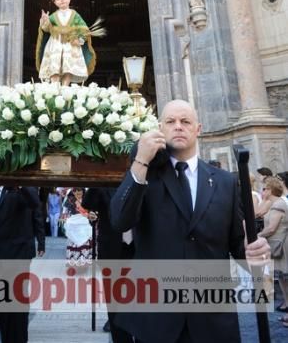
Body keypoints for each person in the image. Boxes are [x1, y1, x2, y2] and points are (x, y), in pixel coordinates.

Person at [110, 98, 270, 343]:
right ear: (160, 128)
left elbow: (237, 245)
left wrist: (253, 254)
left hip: (213, 318)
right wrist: (141, 160)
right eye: (170, 121)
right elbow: (120, 220)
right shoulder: (145, 175)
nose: (178, 126)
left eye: (185, 121)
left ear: (199, 129)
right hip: (157, 317)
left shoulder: (225, 182)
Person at [0, 186, 45, 343]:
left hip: (18, 255)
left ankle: (19, 339)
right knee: (1, 304)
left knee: (18, 304)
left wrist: (41, 241)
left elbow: (35, 207)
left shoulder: (20, 189)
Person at [82, 188, 134, 343]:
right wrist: (95, 180)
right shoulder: (104, 186)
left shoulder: (145, 176)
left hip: (138, 249)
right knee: (115, 304)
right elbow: (88, 203)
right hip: (112, 250)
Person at [36, 0, 98, 85]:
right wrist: (45, 21)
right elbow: (47, 29)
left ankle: (65, 86)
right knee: (55, 65)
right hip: (55, 44)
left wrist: (79, 39)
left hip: (70, 44)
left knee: (68, 67)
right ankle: (54, 85)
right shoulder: (54, 16)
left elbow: (84, 29)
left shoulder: (74, 14)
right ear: (55, 2)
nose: (61, 0)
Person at [257, 176, 288, 320]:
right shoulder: (275, 203)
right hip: (277, 244)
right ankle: (286, 304)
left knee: (285, 277)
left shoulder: (278, 205)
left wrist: (257, 235)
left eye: (264, 189)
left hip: (282, 245)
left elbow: (271, 229)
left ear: (271, 190)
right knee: (282, 277)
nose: (262, 191)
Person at [61, 187, 93, 267]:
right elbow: (65, 212)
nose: (78, 192)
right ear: (73, 191)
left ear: (83, 191)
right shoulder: (70, 199)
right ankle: (74, 265)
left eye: (80, 190)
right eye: (76, 190)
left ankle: (83, 265)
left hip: (84, 225)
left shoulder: (87, 200)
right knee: (74, 245)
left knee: (84, 245)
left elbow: (91, 211)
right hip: (73, 225)